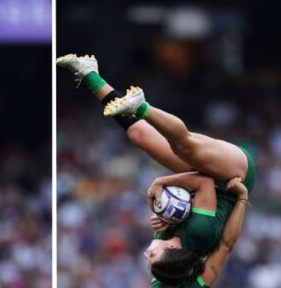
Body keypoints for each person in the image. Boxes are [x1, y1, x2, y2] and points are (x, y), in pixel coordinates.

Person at [56, 54, 257, 275]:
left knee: (139, 136)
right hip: (235, 173)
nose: (145, 254)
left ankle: (89, 73)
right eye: (152, 256)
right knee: (184, 147)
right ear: (171, 249)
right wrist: (161, 181)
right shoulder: (198, 234)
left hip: (213, 178)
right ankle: (141, 106)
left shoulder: (169, 235)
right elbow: (204, 181)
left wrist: (168, 220)